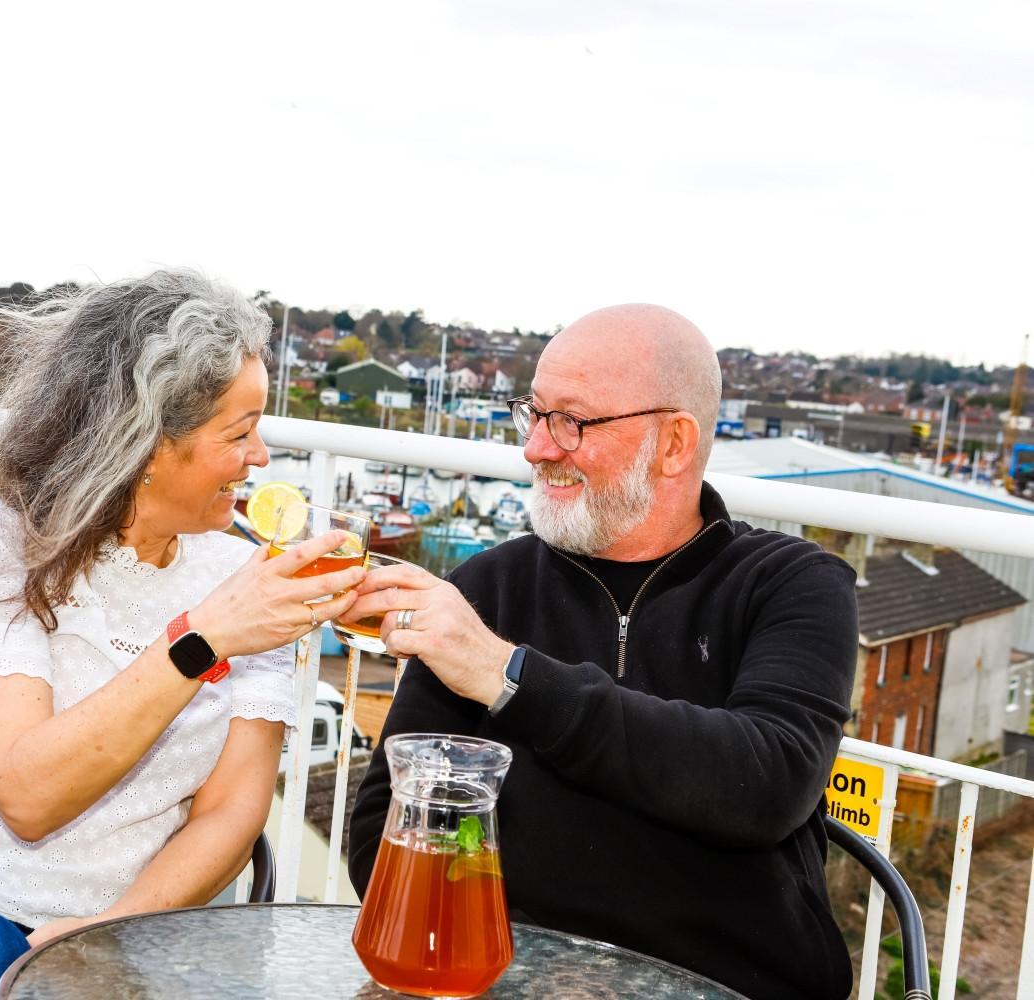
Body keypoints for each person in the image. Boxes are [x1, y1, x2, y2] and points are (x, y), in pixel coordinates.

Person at [0, 271, 363, 999]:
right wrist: (202, 640)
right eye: (239, 433)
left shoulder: (246, 576)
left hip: (126, 923)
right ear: (147, 446)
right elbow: (29, 795)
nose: (262, 457)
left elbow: (231, 813)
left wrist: (113, 928)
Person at [345, 304, 857, 1000]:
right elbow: (383, 837)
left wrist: (507, 678)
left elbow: (765, 783)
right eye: (534, 413)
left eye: (572, 422)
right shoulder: (489, 586)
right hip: (506, 978)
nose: (536, 448)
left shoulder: (791, 584)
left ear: (675, 443)